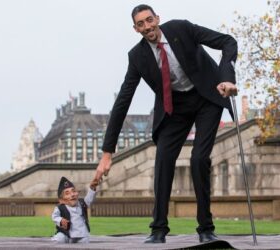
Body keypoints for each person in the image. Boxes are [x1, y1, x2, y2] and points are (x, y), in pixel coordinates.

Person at [94, 4, 238, 244]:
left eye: (149, 20)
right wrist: (107, 152)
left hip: (206, 96)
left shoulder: (182, 28)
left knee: (199, 159)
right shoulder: (137, 56)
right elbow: (123, 101)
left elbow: (228, 42)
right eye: (141, 24)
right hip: (175, 107)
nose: (147, 26)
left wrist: (227, 78)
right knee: (162, 160)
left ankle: (206, 227)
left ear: (157, 18)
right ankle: (158, 229)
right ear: (135, 29)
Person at [51, 176, 98, 244]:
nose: (72, 195)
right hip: (66, 233)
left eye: (73, 191)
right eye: (67, 193)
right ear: (61, 200)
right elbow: (54, 216)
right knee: (59, 239)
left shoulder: (82, 203)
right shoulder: (60, 207)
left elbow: (89, 199)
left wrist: (92, 188)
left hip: (81, 233)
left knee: (85, 242)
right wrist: (61, 220)